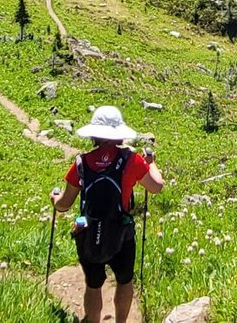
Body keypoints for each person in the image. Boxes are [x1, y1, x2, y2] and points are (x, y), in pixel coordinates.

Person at [52, 105, 164, 323]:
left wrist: (54, 199)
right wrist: (152, 164)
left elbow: (64, 204)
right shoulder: (131, 160)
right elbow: (157, 186)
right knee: (124, 280)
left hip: (88, 232)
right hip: (121, 233)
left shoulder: (81, 163)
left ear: (94, 134)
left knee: (93, 284)